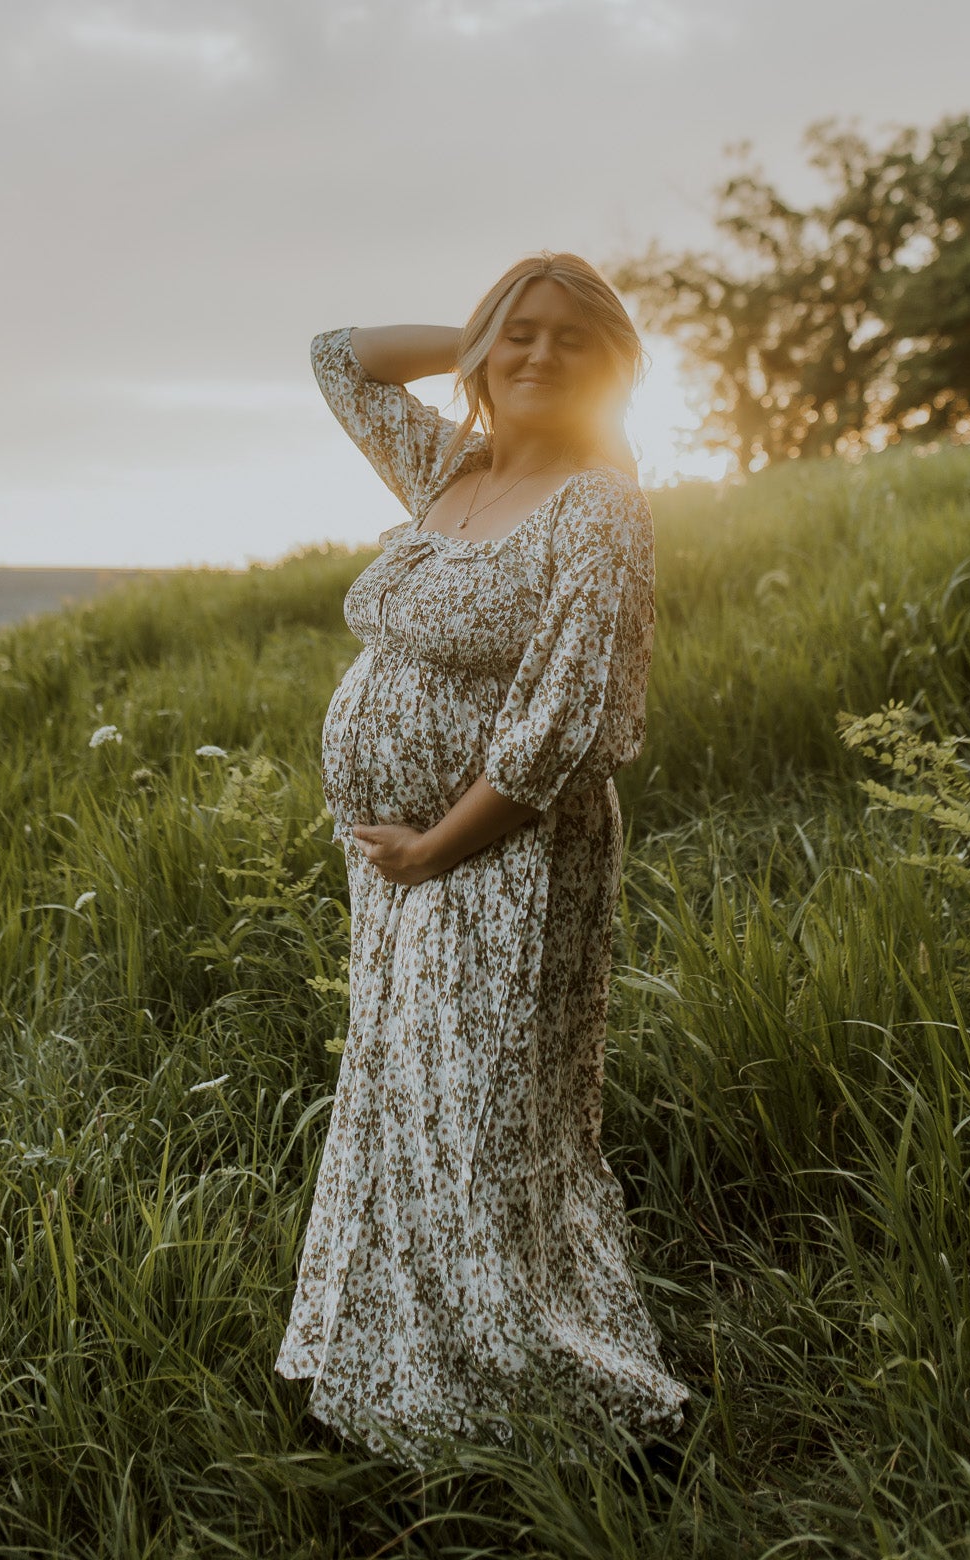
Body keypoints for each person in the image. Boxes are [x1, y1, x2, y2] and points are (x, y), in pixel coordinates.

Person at [275, 250, 690, 1467]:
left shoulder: (597, 505)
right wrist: (484, 330)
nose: (538, 355)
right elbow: (336, 357)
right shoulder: (450, 468)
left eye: (571, 338)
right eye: (520, 334)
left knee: (489, 1133)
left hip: (503, 863)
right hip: (404, 870)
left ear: (612, 368)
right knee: (409, 1110)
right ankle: (408, 1374)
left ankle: (598, 1414)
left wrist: (433, 849)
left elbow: (567, 722)